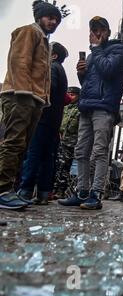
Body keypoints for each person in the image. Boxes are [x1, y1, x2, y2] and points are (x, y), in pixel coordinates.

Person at [59, 16, 123, 210]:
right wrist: (82, 73)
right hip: (86, 106)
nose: (97, 34)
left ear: (107, 31)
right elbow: (88, 85)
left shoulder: (118, 50)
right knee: (81, 150)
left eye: (101, 30)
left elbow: (107, 71)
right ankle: (81, 191)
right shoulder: (91, 55)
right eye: (94, 30)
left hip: (104, 107)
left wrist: (96, 49)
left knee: (99, 150)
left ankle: (96, 194)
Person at [0, 1, 64, 210]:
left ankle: (9, 189)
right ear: (39, 17)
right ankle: (2, 190)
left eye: (56, 19)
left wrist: (42, 99)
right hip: (20, 96)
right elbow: (19, 61)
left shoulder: (45, 41)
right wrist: (24, 92)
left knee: (22, 147)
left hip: (34, 100)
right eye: (49, 17)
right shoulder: (29, 31)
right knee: (13, 143)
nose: (53, 22)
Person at [17, 42, 69, 205]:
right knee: (47, 157)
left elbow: (48, 88)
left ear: (53, 55)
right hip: (53, 121)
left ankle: (25, 191)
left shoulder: (52, 68)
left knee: (33, 155)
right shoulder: (61, 70)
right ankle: (43, 193)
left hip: (43, 118)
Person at [53, 87, 81, 199]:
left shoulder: (80, 109)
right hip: (62, 141)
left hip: (74, 142)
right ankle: (56, 189)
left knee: (70, 169)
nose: (70, 96)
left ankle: (65, 190)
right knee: (60, 166)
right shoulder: (64, 108)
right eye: (68, 94)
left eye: (73, 94)